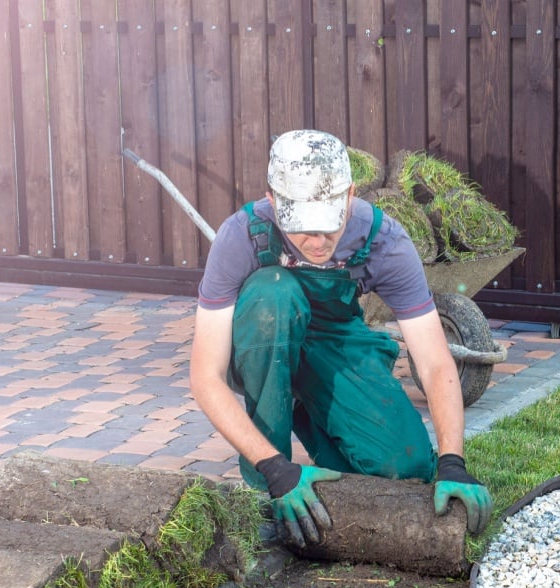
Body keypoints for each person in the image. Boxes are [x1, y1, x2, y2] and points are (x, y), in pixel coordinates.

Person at [189, 129, 493, 550]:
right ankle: (265, 484)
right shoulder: (241, 235)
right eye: (302, 230)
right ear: (273, 200)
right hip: (263, 341)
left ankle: (304, 406)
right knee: (272, 291)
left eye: (328, 228)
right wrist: (277, 470)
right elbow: (205, 375)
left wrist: (453, 461)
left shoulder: (385, 241)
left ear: (351, 195)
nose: (316, 242)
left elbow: (435, 361)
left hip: (334, 343)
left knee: (406, 468)